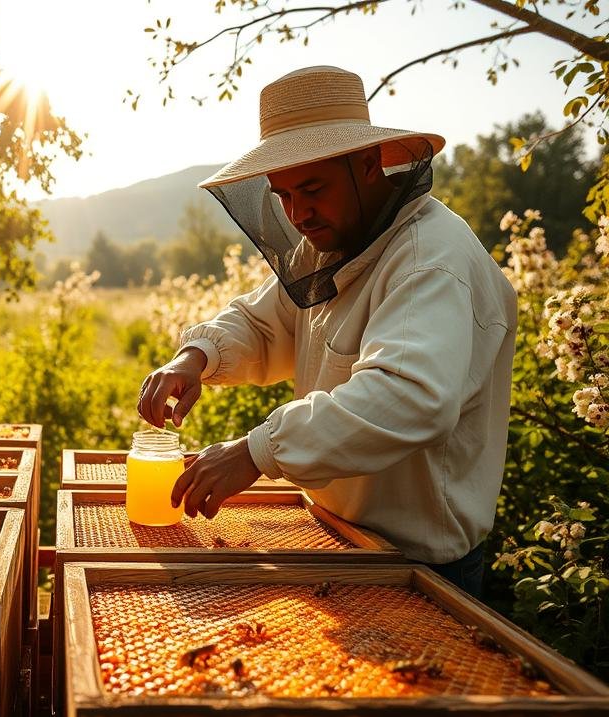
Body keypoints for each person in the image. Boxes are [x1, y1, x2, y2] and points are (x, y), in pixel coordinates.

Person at [137, 66, 517, 597]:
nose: (297, 214)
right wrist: (195, 356)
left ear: (367, 164)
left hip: (421, 568)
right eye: (283, 196)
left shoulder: (429, 262)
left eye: (312, 189)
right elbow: (264, 320)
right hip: (343, 540)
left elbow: (408, 395)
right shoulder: (334, 242)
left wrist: (256, 451)